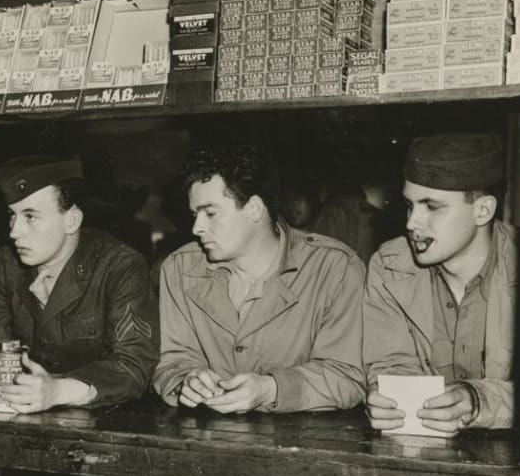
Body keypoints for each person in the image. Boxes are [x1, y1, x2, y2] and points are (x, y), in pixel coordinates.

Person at [152, 145, 366, 413]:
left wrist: (271, 389)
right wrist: (187, 380)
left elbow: (346, 376)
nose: (197, 228)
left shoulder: (335, 268)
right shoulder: (178, 270)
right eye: (195, 215)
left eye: (211, 213)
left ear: (254, 209)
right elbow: (174, 360)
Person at [0, 154, 159, 413]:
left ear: (71, 220)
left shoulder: (119, 266)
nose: (14, 231)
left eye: (30, 216)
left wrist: (57, 391)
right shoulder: (7, 264)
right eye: (12, 215)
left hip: (102, 423)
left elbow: (134, 366)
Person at [364, 133, 520, 435]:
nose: (412, 223)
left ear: (483, 210)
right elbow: (392, 365)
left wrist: (479, 401)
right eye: (409, 205)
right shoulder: (389, 265)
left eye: (432, 207)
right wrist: (388, 401)